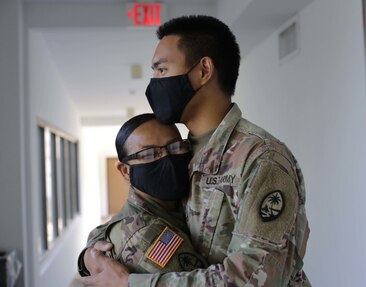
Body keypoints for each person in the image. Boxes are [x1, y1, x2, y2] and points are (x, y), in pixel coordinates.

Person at [82, 15, 311, 286]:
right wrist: (90, 255)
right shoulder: (182, 153)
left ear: (203, 71)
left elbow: (254, 279)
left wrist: (132, 284)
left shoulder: (261, 160)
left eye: (161, 70)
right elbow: (139, 214)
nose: (154, 82)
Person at [78, 113, 207, 278]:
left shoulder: (186, 198)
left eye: (175, 146)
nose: (167, 159)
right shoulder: (146, 235)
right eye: (149, 154)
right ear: (125, 171)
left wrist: (86, 256)